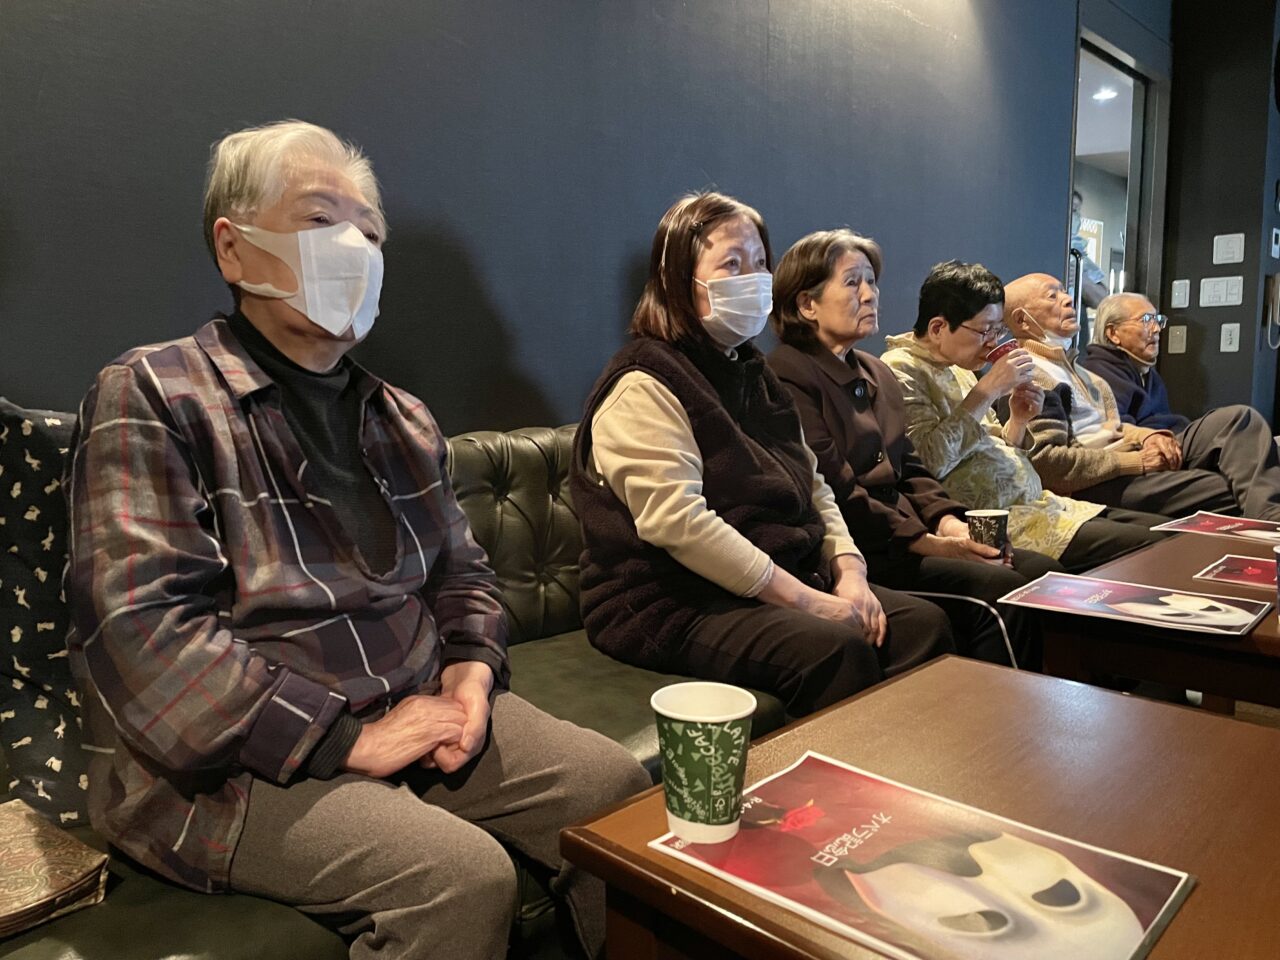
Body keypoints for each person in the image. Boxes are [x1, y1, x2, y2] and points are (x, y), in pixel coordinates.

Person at [64, 120, 649, 960]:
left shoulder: (401, 416)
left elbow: (462, 574)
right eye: (319, 220)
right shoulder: (153, 394)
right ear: (232, 247)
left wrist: (472, 676)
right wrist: (349, 740)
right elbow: (145, 636)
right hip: (229, 766)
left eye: (369, 234)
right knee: (458, 878)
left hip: (413, 705)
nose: (354, 248)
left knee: (615, 793)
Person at [570, 192, 954, 718]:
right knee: (834, 651)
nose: (752, 279)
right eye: (731, 264)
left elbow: (812, 483)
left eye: (758, 263)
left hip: (770, 580)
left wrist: (850, 571)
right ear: (679, 280)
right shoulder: (643, 382)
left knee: (921, 625)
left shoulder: (752, 372)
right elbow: (679, 523)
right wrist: (809, 601)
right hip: (666, 601)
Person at [766, 229, 1061, 669]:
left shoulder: (873, 371)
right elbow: (834, 487)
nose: (870, 295)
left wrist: (950, 523)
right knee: (1000, 593)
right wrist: (928, 543)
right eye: (853, 283)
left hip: (905, 534)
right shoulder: (787, 374)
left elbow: (911, 465)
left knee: (1035, 571)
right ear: (807, 304)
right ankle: (1001, 708)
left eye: (872, 282)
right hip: (861, 545)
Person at [880, 261, 1168, 572]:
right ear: (938, 328)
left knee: (1167, 532)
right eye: (985, 330)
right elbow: (927, 462)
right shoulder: (900, 369)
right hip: (1000, 518)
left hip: (1041, 504)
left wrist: (1017, 421)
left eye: (998, 330)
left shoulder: (958, 366)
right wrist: (987, 390)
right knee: (1153, 548)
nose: (993, 342)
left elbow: (995, 445)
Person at [1005, 274, 1280, 521]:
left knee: (1239, 420)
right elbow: (1049, 465)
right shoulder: (1031, 375)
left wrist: (1147, 436)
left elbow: (1115, 428)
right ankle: (1270, 525)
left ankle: (1268, 518)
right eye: (1052, 296)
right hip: (1100, 479)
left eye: (1064, 291)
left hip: (1132, 455)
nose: (1067, 299)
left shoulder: (1085, 375)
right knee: (1233, 484)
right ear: (1021, 320)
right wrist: (1138, 461)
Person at [1069, 189, 1109, 310]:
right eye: (1073, 210)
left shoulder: (1078, 255)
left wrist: (1080, 279)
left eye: (1077, 211)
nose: (1077, 216)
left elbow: (1104, 301)